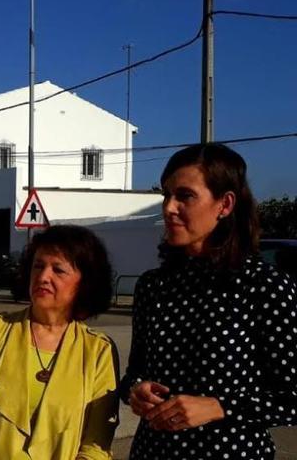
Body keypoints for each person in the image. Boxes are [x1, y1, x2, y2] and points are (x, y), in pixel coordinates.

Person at [121, 143, 297, 459]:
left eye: (184, 196)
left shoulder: (265, 287)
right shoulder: (153, 286)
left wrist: (218, 406)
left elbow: (291, 397)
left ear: (225, 204)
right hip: (152, 451)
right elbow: (135, 372)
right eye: (166, 195)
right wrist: (136, 391)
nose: (168, 208)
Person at [0, 225, 119, 459]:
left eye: (58, 270)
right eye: (38, 266)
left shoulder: (98, 351)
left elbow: (97, 441)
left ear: (85, 282)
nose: (43, 277)